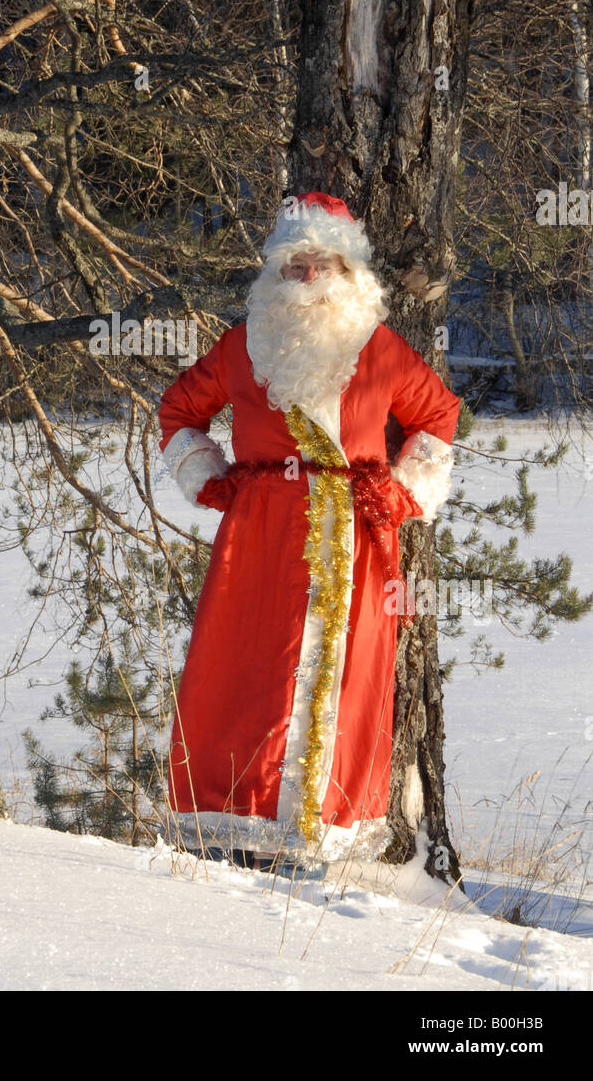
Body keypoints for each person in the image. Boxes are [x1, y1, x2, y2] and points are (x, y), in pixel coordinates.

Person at [158, 191, 461, 872]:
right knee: (242, 669)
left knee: (341, 671)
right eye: (294, 261)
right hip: (259, 533)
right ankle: (231, 819)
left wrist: (402, 491)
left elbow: (439, 414)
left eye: (321, 260)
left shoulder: (377, 347)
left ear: (349, 270)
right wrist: (209, 477)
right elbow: (179, 410)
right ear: (275, 270)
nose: (306, 273)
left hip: (351, 537)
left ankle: (315, 829)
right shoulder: (243, 343)